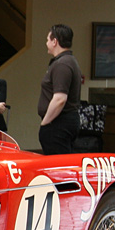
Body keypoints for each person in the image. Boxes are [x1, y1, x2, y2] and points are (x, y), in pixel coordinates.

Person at [37, 24, 82, 155]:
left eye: (47, 40)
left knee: (58, 165)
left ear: (55, 41)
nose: (46, 43)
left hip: (58, 124)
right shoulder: (68, 61)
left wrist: (45, 124)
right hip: (62, 122)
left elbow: (60, 99)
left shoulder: (62, 64)